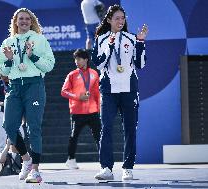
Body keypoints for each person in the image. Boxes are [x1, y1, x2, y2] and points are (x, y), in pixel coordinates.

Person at [0, 8, 55, 183]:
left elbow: (50, 65)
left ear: (31, 21)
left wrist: (32, 56)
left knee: (33, 127)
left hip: (34, 85)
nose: (24, 21)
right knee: (9, 125)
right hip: (14, 86)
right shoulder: (8, 42)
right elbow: (2, 69)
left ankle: (35, 170)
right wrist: (8, 59)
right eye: (20, 19)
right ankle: (26, 159)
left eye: (27, 19)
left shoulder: (39, 39)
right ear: (15, 21)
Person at [92, 4, 148, 181]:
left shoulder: (132, 38)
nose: (120, 21)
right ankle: (106, 168)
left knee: (130, 129)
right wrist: (109, 47)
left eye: (122, 18)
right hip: (108, 90)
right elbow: (98, 64)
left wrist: (140, 42)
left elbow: (140, 64)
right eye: (117, 18)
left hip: (129, 90)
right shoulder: (100, 40)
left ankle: (128, 168)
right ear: (109, 20)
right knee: (106, 128)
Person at [61, 49, 101, 169]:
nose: (76, 61)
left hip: (93, 111)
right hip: (77, 112)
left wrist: (98, 108)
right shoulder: (72, 75)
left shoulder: (94, 73)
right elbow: (64, 92)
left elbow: (97, 93)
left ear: (86, 60)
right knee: (74, 136)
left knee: (99, 136)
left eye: (79, 59)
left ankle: (104, 159)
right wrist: (78, 97)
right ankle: (71, 159)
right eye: (75, 59)